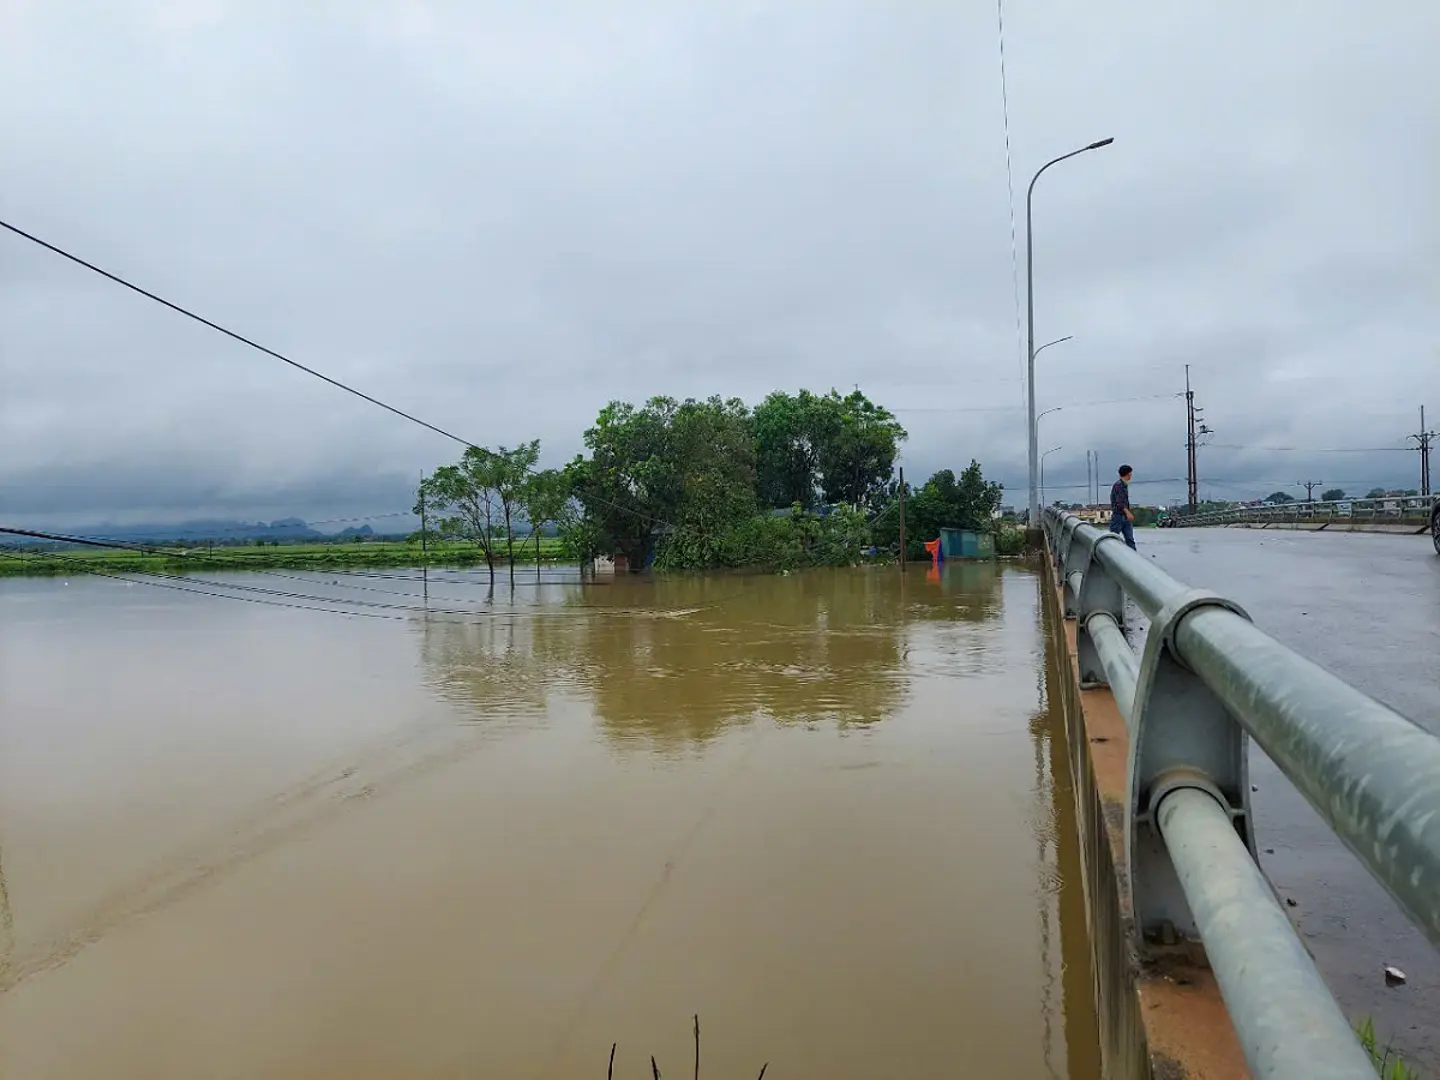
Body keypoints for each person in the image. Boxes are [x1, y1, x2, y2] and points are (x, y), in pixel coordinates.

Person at [1110, 464, 1137, 549]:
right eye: (1130, 473)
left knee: (1130, 540)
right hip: (1118, 516)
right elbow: (1119, 502)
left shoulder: (1124, 485)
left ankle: (1133, 558)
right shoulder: (1119, 485)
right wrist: (1128, 512)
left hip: (1124, 517)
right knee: (1113, 539)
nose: (1131, 475)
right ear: (1128, 474)